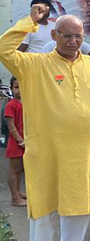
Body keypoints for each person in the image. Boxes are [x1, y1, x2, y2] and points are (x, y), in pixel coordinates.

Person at [0, 4, 90, 241]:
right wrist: (29, 21)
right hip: (47, 153)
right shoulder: (35, 65)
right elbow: (3, 49)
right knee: (44, 209)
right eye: (67, 36)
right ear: (54, 35)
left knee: (79, 206)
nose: (73, 41)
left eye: (78, 36)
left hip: (83, 153)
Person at [18, 0, 90, 63]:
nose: (41, 11)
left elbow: (89, 49)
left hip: (60, 67)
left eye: (44, 8)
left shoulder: (57, 26)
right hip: (38, 68)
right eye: (38, 8)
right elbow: (18, 54)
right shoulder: (28, 28)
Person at [4, 76, 25, 207]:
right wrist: (20, 141)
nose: (19, 90)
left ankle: (18, 192)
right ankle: (14, 198)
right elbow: (11, 126)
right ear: (11, 89)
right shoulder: (11, 105)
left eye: (22, 86)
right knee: (14, 170)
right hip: (16, 143)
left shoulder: (26, 103)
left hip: (24, 142)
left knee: (20, 170)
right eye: (16, 87)